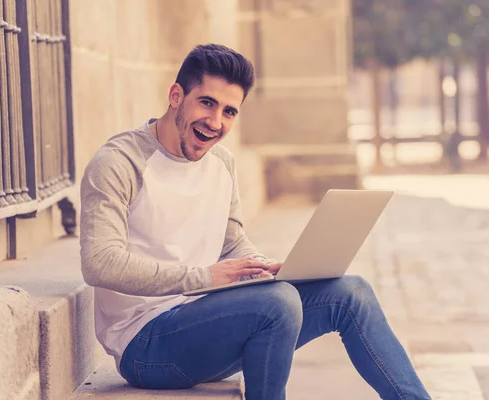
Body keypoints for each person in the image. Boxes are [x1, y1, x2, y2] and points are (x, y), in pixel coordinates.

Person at [80, 43, 431, 400]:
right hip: (145, 346)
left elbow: (233, 243)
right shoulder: (119, 162)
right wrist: (204, 277)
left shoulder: (222, 163)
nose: (215, 123)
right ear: (176, 96)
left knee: (350, 292)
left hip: (206, 320)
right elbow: (99, 264)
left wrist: (263, 268)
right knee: (277, 304)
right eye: (207, 103)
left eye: (229, 111)